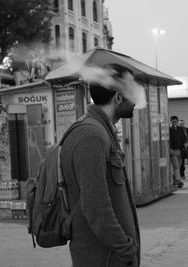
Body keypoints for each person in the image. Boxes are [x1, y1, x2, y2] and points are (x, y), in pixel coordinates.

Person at [60, 64, 140, 267]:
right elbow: (95, 207)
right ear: (118, 97)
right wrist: (124, 247)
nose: (137, 101)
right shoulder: (91, 136)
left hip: (110, 255)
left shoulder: (101, 131)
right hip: (104, 257)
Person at [169, 116, 187, 188]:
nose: (174, 123)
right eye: (173, 122)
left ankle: (174, 180)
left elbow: (184, 138)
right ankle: (179, 181)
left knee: (178, 167)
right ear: (170, 121)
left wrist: (185, 144)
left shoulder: (180, 129)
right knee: (176, 166)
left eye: (175, 121)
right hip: (173, 151)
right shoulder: (169, 130)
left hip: (180, 151)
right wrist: (170, 149)